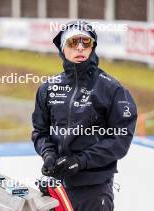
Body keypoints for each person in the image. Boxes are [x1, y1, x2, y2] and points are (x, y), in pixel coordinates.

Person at [32, 20, 137, 211]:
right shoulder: (48, 88)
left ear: (92, 47)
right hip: (56, 187)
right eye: (73, 42)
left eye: (86, 42)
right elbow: (39, 131)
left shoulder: (112, 89)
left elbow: (121, 140)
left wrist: (82, 161)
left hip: (94, 189)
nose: (80, 47)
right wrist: (48, 154)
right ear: (62, 48)